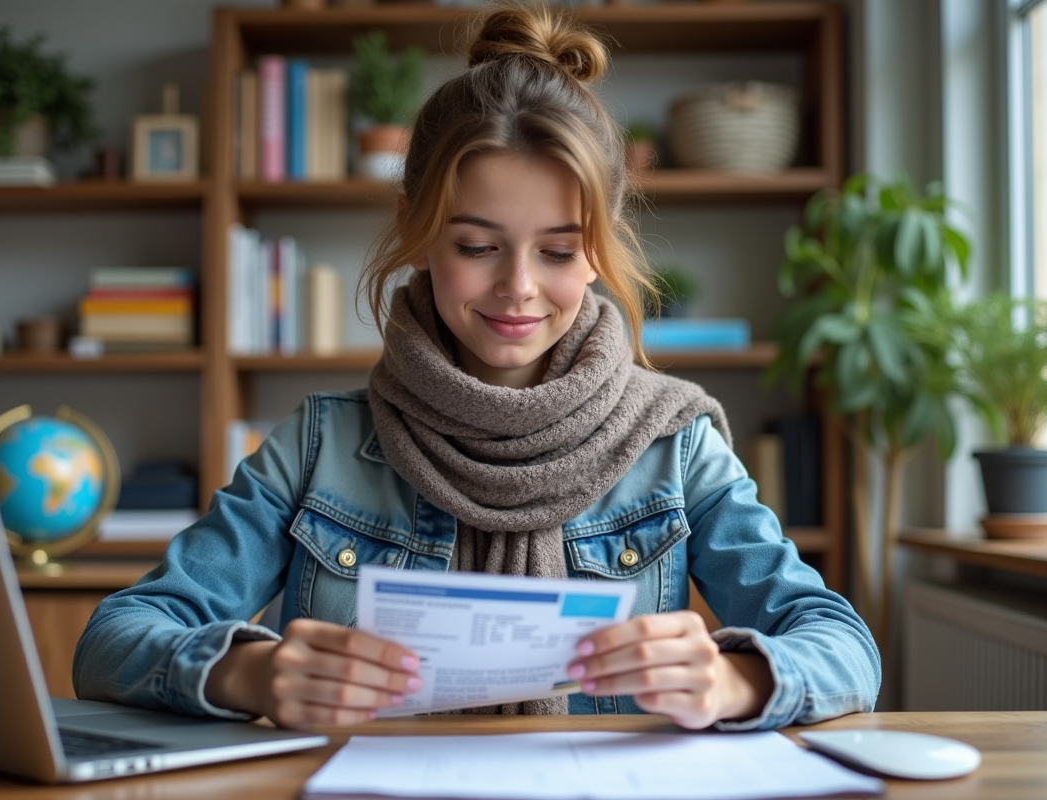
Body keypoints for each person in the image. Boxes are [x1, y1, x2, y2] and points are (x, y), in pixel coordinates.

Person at [74, 2, 879, 732]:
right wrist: (249, 671)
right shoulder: (317, 447)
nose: (520, 288)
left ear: (599, 249)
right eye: (477, 246)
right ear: (417, 231)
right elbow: (113, 641)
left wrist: (733, 680)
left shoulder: (677, 446)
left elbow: (845, 649)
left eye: (559, 250)